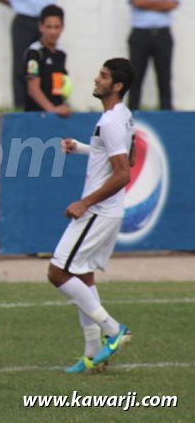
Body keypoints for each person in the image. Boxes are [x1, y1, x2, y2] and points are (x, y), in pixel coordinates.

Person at [51, 58, 136, 374]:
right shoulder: (123, 117)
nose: (96, 79)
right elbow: (129, 154)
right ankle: (92, 355)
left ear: (117, 86)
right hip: (109, 212)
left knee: (58, 273)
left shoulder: (112, 122)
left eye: (103, 76)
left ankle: (114, 331)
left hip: (99, 212)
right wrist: (82, 148)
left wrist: (85, 202)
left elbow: (123, 172)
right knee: (84, 278)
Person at [127, 0, 179, 111]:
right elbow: (136, 1)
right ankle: (131, 116)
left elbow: (172, 4)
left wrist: (147, 2)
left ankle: (167, 117)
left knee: (164, 79)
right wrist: (160, 3)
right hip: (140, 34)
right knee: (135, 78)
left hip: (162, 34)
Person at [24, 4, 71, 117]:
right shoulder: (34, 52)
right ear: (41, 27)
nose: (53, 32)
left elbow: (60, 85)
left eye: (56, 27)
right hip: (36, 115)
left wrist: (62, 107)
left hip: (56, 116)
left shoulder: (61, 54)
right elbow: (33, 88)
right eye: (49, 27)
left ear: (62, 27)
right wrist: (52, 110)